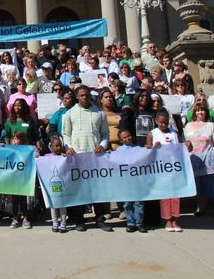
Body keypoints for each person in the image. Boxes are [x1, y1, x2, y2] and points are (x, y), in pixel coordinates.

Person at [61, 85, 112, 232]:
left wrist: (102, 145)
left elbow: (105, 134)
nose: (85, 98)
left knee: (97, 189)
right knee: (78, 189)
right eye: (82, 95)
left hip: (95, 156)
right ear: (77, 97)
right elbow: (66, 134)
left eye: (87, 95)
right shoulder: (70, 113)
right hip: (77, 156)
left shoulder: (99, 113)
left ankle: (100, 219)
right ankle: (79, 220)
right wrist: (69, 147)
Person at [183, 103, 214, 218]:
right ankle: (200, 209)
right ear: (194, 113)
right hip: (195, 160)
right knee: (199, 187)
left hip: (210, 160)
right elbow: (185, 143)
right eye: (198, 110)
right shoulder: (188, 126)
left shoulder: (211, 125)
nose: (200, 112)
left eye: (203, 110)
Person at [146, 110, 182, 232]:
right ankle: (167, 220)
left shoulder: (174, 133)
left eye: (165, 123)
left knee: (176, 196)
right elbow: (147, 151)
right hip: (160, 169)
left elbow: (179, 149)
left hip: (174, 168)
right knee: (165, 196)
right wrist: (153, 148)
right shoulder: (152, 133)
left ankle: (175, 219)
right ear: (156, 121)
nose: (163, 125)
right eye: (160, 122)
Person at [116, 129, 147, 233]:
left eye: (128, 136)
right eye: (124, 137)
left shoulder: (138, 148)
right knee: (127, 203)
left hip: (137, 180)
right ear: (121, 140)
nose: (127, 138)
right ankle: (130, 223)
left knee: (138, 203)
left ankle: (139, 223)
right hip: (125, 181)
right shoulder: (119, 150)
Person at [8, 131, 33, 229]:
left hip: (23, 179)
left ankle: (25, 218)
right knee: (14, 199)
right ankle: (15, 218)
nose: (14, 141)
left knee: (23, 199)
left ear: (22, 141)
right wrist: (1, 146)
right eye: (13, 139)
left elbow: (35, 152)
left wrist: (36, 154)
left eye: (17, 139)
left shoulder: (27, 150)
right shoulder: (9, 149)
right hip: (13, 179)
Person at [46, 135, 68, 233]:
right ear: (51, 146)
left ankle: (63, 223)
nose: (59, 148)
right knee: (53, 206)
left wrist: (65, 157)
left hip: (61, 187)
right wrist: (38, 157)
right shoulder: (46, 157)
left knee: (62, 205)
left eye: (60, 145)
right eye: (56, 146)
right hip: (52, 187)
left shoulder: (63, 156)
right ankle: (55, 223)